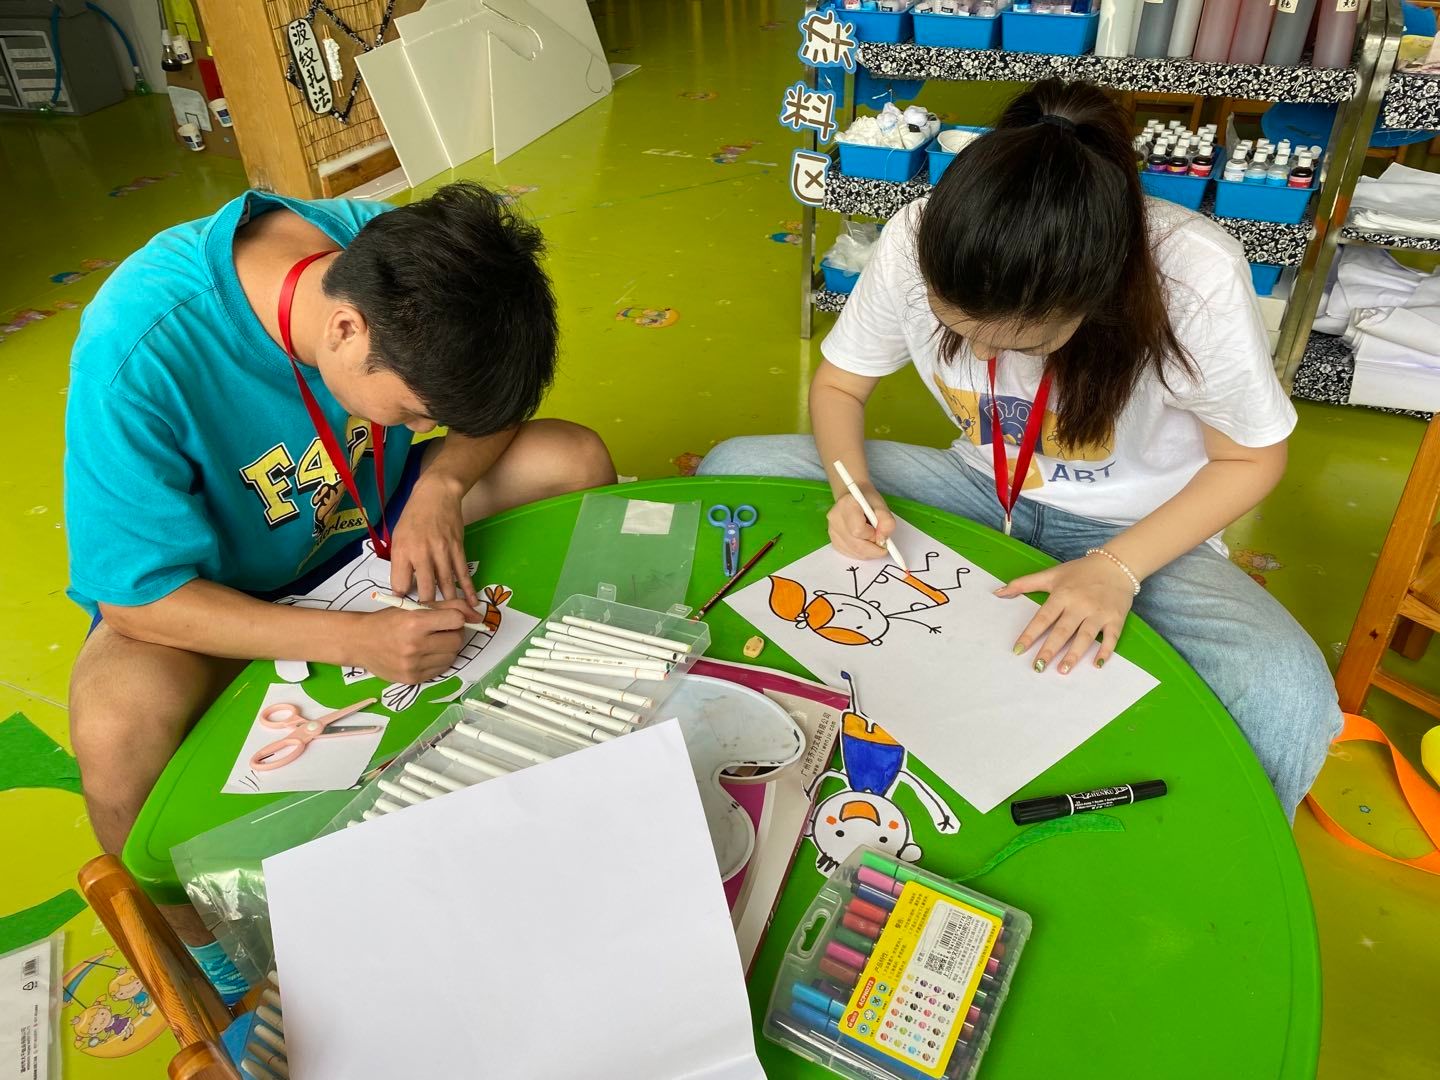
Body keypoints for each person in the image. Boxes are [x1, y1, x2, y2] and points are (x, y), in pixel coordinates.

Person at [701, 79, 1341, 821]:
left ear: (1095, 296)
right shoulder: (916, 237)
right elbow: (840, 385)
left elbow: (1251, 459)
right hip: (979, 486)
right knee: (736, 468)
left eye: (1022, 344)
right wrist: (852, 487)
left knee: (1285, 692)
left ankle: (1222, 855)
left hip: (1142, 530)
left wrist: (1117, 568)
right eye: (958, 328)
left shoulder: (1193, 275)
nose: (979, 355)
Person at [64, 182, 615, 975]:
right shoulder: (139, 347)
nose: (426, 429)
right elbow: (138, 598)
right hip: (224, 590)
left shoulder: (395, 257)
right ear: (345, 328)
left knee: (574, 460)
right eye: (415, 414)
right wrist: (355, 638)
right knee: (114, 727)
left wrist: (441, 485)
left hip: (375, 521)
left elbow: (486, 406)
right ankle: (213, 957)